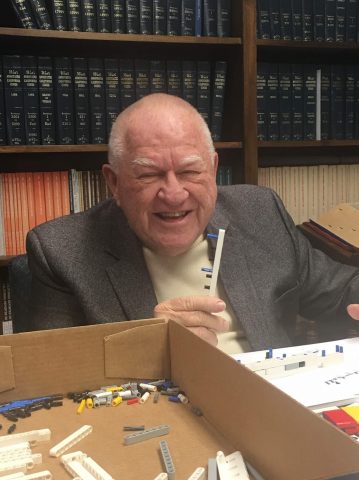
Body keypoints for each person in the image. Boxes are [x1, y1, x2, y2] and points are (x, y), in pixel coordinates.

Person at [26, 93, 359, 353]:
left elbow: (339, 289)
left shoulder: (260, 212)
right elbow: (51, 373)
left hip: (276, 404)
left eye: (189, 171)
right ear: (114, 183)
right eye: (148, 174)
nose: (173, 194)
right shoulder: (61, 251)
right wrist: (146, 345)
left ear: (213, 170)